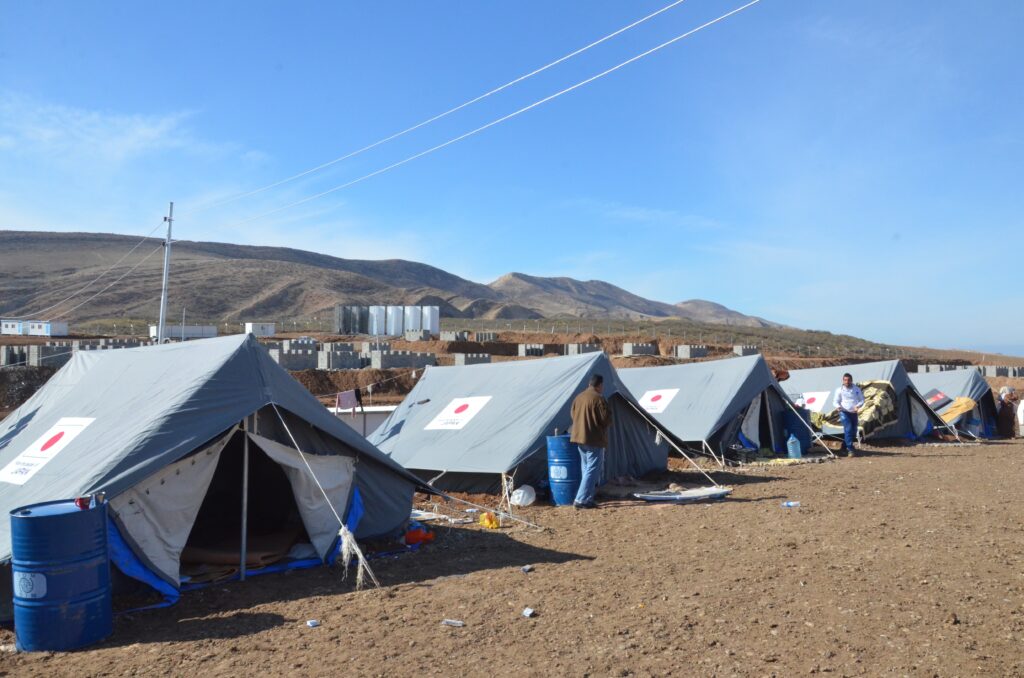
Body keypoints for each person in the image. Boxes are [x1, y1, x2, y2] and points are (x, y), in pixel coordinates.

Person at [569, 373, 613, 509]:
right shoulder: (599, 399)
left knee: (586, 469)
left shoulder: (578, 397)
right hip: (594, 439)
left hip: (579, 438)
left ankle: (587, 498)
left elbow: (572, 415)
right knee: (592, 470)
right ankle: (581, 499)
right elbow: (606, 420)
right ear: (599, 385)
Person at [833, 373, 865, 455]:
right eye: (845, 380)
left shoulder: (856, 389)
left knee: (853, 431)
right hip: (844, 412)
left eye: (848, 380)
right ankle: (850, 449)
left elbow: (861, 400)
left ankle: (843, 447)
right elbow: (835, 401)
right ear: (843, 381)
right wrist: (838, 406)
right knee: (848, 429)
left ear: (851, 380)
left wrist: (858, 406)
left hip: (853, 412)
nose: (847, 381)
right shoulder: (839, 390)